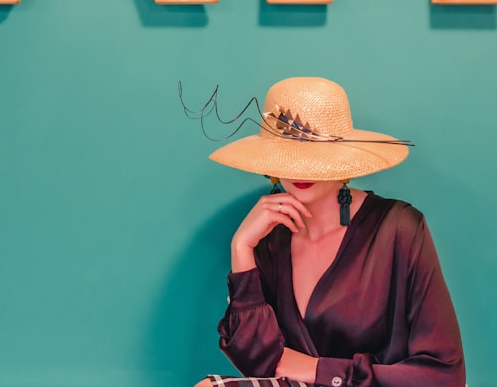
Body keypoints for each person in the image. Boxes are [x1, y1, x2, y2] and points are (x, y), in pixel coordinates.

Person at [195, 77, 465, 387]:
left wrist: (319, 370)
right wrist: (242, 247)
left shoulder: (399, 228)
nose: (300, 169)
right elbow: (258, 362)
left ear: (342, 160)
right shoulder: (269, 240)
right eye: (287, 154)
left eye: (316, 156)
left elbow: (445, 376)